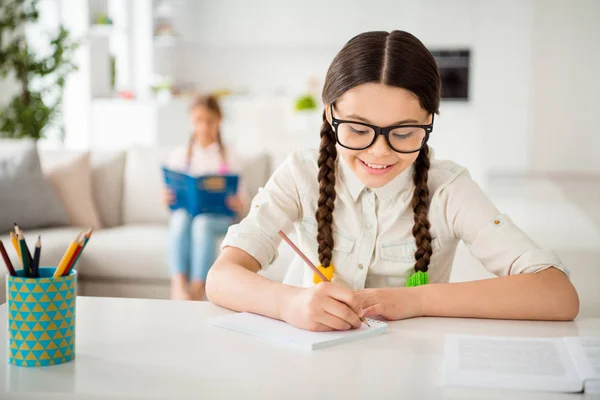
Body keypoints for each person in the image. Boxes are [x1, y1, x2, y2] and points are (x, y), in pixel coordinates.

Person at [205, 31, 579, 330]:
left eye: (403, 133)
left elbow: (557, 294)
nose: (379, 152)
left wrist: (416, 301)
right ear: (330, 113)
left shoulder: (448, 188)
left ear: (429, 123)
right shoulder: (301, 174)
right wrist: (287, 303)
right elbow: (221, 278)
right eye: (356, 129)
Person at [163, 94, 245, 301]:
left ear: (219, 121)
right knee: (180, 220)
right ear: (191, 122)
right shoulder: (179, 155)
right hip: (186, 214)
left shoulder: (230, 156)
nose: (203, 127)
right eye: (198, 121)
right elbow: (171, 199)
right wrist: (167, 198)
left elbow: (244, 200)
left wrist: (238, 203)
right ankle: (179, 285)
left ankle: (199, 288)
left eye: (209, 121)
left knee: (201, 223)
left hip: (218, 218)